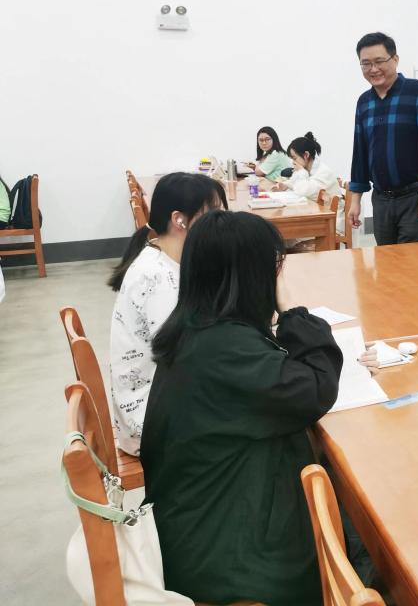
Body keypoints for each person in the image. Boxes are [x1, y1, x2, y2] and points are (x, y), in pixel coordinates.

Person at [142, 210, 344, 605]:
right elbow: (316, 388)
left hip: (194, 521)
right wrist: (290, 310)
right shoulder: (224, 347)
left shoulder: (198, 325)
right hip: (224, 552)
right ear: (251, 276)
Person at [107, 172, 227, 456]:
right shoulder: (157, 279)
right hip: (153, 425)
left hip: (157, 403)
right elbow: (190, 358)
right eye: (213, 214)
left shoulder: (163, 258)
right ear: (179, 220)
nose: (221, 224)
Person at [347, 31, 418, 245]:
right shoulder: (364, 102)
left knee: (412, 261)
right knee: (386, 260)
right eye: (366, 64)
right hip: (381, 199)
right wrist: (355, 200)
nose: (373, 69)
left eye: (379, 61)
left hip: (415, 196)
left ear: (395, 59)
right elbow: (360, 152)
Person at [275, 131, 338, 201]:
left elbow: (303, 191)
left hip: (329, 208)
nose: (293, 162)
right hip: (314, 205)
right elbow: (294, 181)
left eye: (294, 158)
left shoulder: (324, 172)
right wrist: (285, 185)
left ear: (306, 155)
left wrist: (301, 172)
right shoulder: (305, 168)